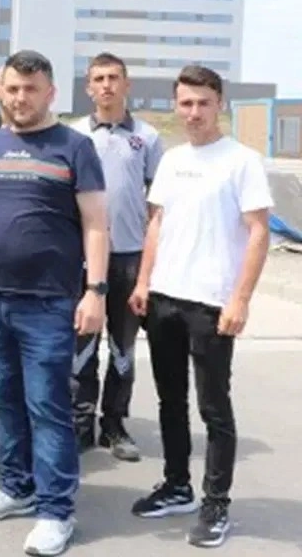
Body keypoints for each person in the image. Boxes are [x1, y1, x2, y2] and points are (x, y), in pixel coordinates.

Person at [0, 50, 108, 556]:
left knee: (47, 406)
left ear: (50, 93)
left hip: (48, 303)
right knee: (5, 401)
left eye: (31, 89)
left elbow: (96, 224)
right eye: (13, 88)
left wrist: (95, 291)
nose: (21, 97)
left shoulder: (75, 147)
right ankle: (17, 487)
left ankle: (55, 510)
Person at [126, 65, 272, 549]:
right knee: (170, 400)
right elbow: (157, 224)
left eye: (203, 103)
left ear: (219, 104)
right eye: (186, 103)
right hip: (164, 298)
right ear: (176, 105)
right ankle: (177, 486)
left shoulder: (242, 161)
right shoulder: (172, 160)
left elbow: (258, 232)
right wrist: (144, 282)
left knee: (214, 408)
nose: (194, 112)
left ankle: (216, 504)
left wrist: (240, 299)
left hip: (212, 305)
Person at [69, 53, 163, 461]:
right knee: (81, 345)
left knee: (122, 349)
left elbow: (158, 205)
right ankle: (79, 422)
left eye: (113, 78)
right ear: (88, 87)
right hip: (83, 260)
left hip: (128, 258)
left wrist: (149, 269)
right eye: (99, 79)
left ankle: (114, 424)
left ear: (127, 85)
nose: (106, 85)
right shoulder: (73, 135)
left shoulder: (148, 137)